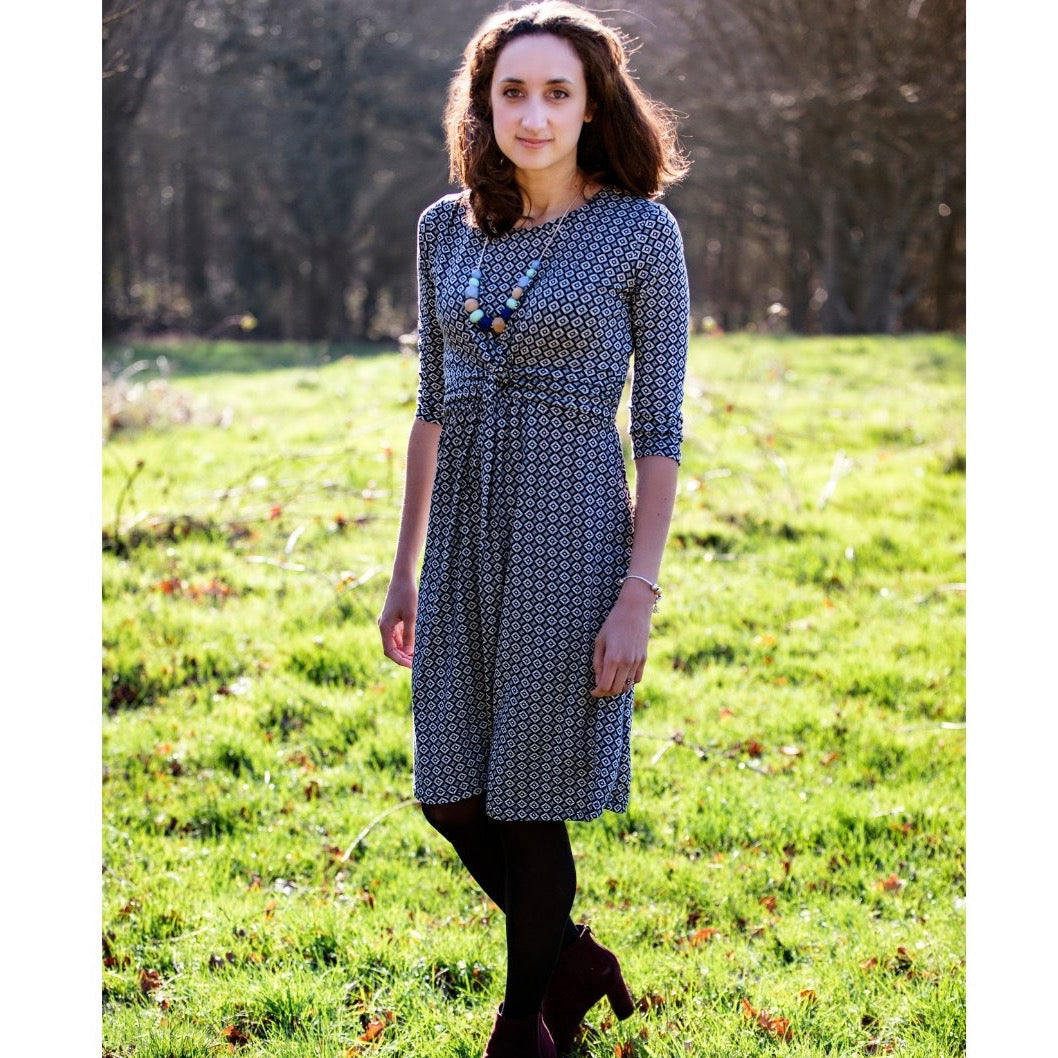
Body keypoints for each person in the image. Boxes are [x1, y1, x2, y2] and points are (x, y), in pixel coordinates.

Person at [377, 3, 689, 1055]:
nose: (534, 112)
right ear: (484, 102)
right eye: (512, 90)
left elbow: (657, 429)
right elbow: (429, 401)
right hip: (462, 533)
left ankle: (524, 1025)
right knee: (449, 789)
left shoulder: (640, 230)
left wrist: (636, 593)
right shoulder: (443, 227)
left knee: (527, 795)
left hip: (570, 532)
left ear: (592, 101)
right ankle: (571, 957)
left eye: (557, 90)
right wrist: (402, 569)